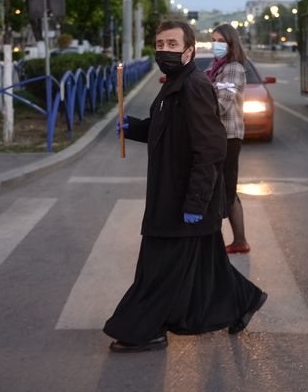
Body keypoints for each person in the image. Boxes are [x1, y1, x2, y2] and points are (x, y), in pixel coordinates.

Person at [104, 20, 267, 353]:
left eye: (172, 45)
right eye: (159, 44)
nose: (164, 51)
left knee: (158, 269)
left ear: (189, 51)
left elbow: (211, 148)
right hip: (173, 193)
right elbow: (166, 128)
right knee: (209, 267)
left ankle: (147, 329)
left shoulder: (194, 85)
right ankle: (243, 300)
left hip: (183, 198)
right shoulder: (175, 84)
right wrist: (133, 128)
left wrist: (196, 203)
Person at [207, 23, 250, 254]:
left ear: (231, 44)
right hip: (220, 135)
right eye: (214, 40)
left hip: (228, 136)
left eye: (221, 41)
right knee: (225, 187)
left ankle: (236, 242)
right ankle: (239, 240)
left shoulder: (233, 68)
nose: (216, 44)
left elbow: (221, 105)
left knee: (224, 188)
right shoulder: (216, 67)